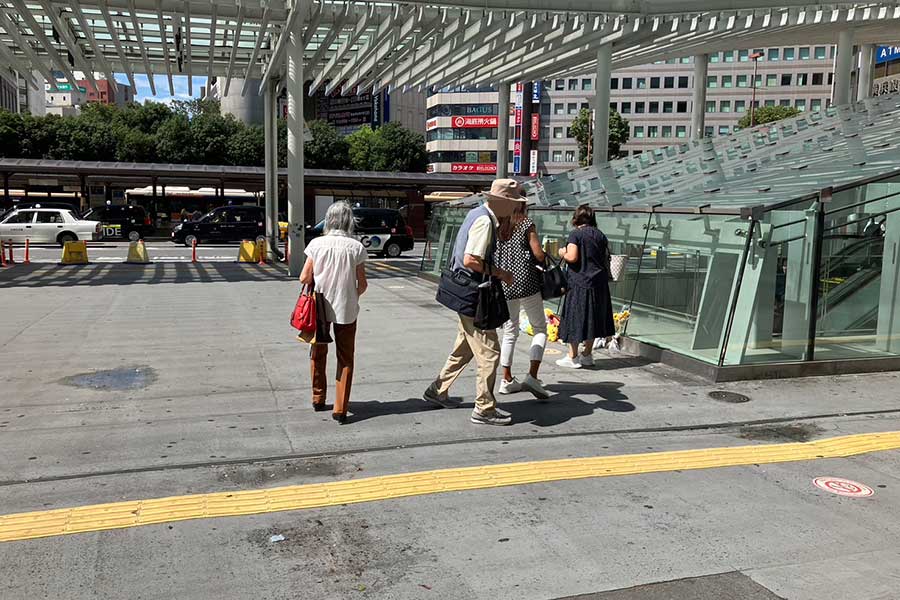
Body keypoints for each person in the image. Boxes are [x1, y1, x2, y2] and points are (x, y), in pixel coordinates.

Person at [424, 178, 524, 426]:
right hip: (474, 295)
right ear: (503, 202)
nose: (515, 209)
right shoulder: (484, 221)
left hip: (463, 293)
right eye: (514, 204)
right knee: (490, 353)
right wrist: (501, 273)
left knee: (465, 347)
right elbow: (471, 259)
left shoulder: (476, 213)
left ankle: (437, 390)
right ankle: (484, 409)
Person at [299, 202, 368, 424]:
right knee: (345, 357)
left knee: (318, 353)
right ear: (349, 221)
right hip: (346, 307)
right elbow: (363, 283)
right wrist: (351, 294)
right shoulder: (356, 247)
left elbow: (304, 277)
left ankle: (318, 398)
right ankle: (340, 408)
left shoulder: (316, 244)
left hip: (318, 308)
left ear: (328, 220)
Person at [494, 203, 550, 399]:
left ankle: (506, 380)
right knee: (540, 329)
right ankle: (532, 376)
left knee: (510, 331)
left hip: (504, 283)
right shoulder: (526, 223)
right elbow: (538, 254)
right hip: (527, 282)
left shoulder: (498, 224)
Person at [556, 204, 615, 369]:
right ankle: (587, 355)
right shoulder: (600, 235)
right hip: (599, 283)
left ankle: (572, 356)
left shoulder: (576, 234)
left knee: (576, 317)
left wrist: (562, 253)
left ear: (576, 218)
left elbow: (572, 257)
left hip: (580, 283)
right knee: (592, 319)